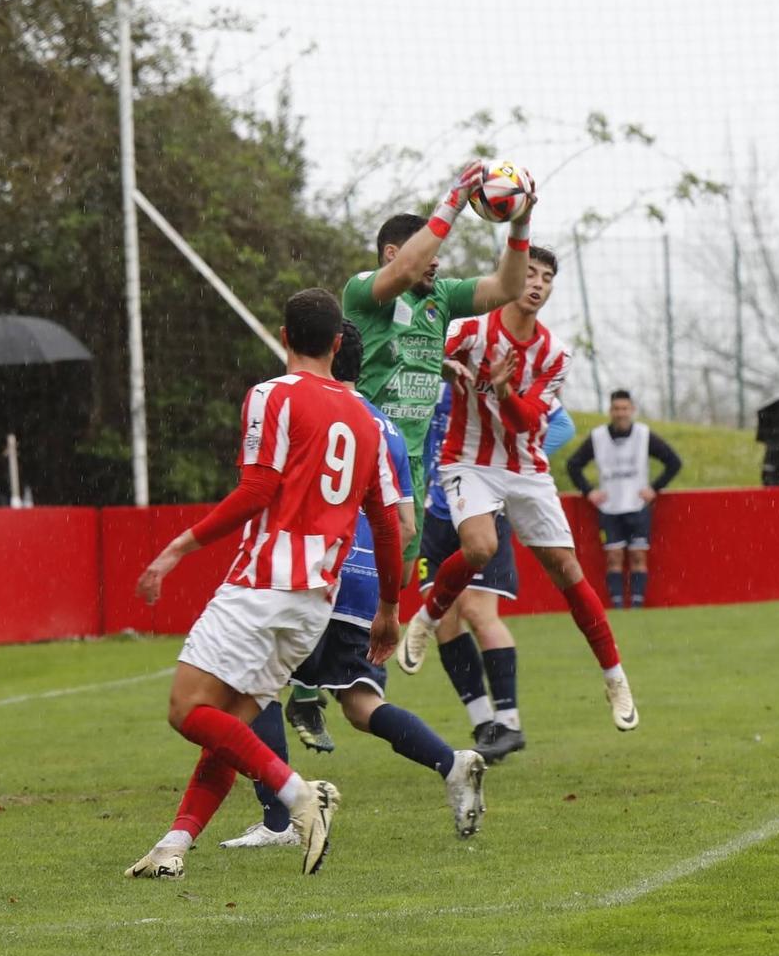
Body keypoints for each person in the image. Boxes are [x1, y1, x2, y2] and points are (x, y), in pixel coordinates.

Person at [128, 289, 406, 880]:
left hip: (264, 584)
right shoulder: (367, 419)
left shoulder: (271, 395)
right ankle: (174, 845)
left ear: (283, 336)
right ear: (338, 344)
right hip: (314, 604)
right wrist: (389, 606)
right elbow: (385, 522)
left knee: (186, 710)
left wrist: (178, 547)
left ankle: (298, 794)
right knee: (229, 725)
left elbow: (256, 490)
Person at [282, 161, 534, 750]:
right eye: (427, 252)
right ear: (395, 249)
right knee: (336, 575)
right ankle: (302, 692)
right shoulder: (362, 292)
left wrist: (521, 221)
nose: (437, 264)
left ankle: (348, 681)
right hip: (353, 458)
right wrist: (452, 201)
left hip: (408, 467)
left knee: (383, 582)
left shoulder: (439, 299)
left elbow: (506, 288)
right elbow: (406, 269)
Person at [218, 322, 486, 850]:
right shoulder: (385, 425)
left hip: (312, 571)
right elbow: (404, 525)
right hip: (366, 583)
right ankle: (451, 763)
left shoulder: (304, 408)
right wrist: (389, 596)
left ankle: (280, 823)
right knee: (361, 703)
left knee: (254, 686)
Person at [398, 246, 639, 733]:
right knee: (481, 547)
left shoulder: (555, 354)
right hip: (468, 462)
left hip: (526, 467)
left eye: (547, 277)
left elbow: (532, 421)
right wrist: (441, 367)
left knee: (568, 571)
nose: (537, 283)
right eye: (528, 272)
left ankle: (615, 677)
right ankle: (425, 619)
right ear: (508, 276)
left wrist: (505, 391)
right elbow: (415, 358)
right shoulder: (470, 330)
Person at [416, 378, 577, 762]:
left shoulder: (494, 379)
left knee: (476, 610)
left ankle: (509, 721)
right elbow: (421, 439)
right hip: (437, 514)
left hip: (483, 509)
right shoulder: (429, 383)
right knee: (445, 621)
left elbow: (563, 425)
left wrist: (516, 465)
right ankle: (485, 723)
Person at [567, 389, 684, 609]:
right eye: (616, 409)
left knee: (639, 556)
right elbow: (573, 465)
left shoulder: (643, 434)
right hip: (609, 508)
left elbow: (674, 462)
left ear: (632, 410)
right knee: (614, 558)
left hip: (637, 506)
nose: (621, 413)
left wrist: (655, 488)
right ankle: (618, 606)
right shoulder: (598, 437)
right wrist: (589, 491)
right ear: (610, 411)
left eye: (625, 408)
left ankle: (637, 605)